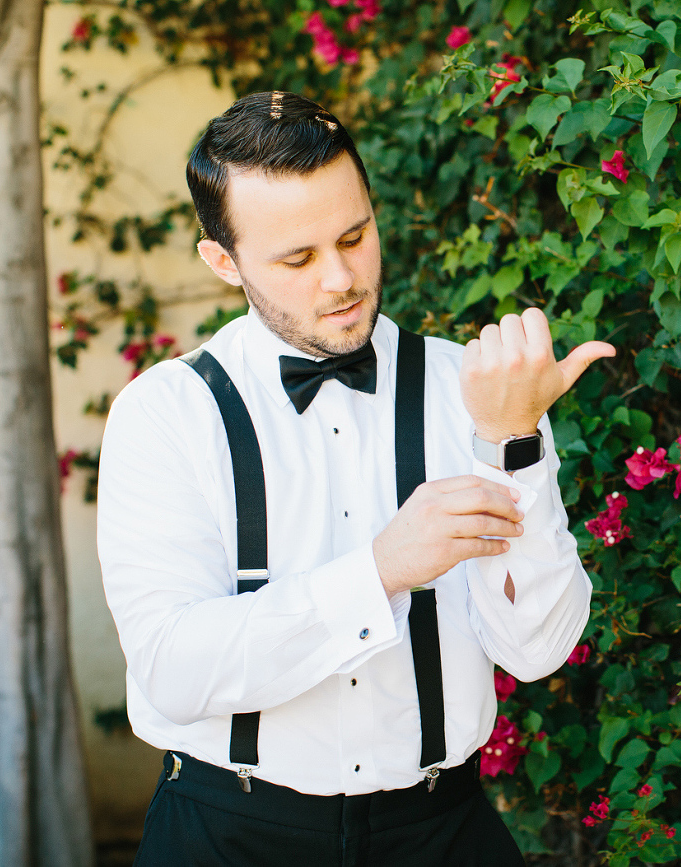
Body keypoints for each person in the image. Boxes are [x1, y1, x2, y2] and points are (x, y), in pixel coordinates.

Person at [96, 91, 614, 866]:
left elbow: (538, 649)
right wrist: (380, 570)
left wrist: (508, 442)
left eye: (354, 235)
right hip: (225, 834)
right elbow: (174, 668)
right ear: (222, 260)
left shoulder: (471, 388)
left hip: (441, 831)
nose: (340, 278)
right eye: (297, 258)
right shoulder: (165, 414)